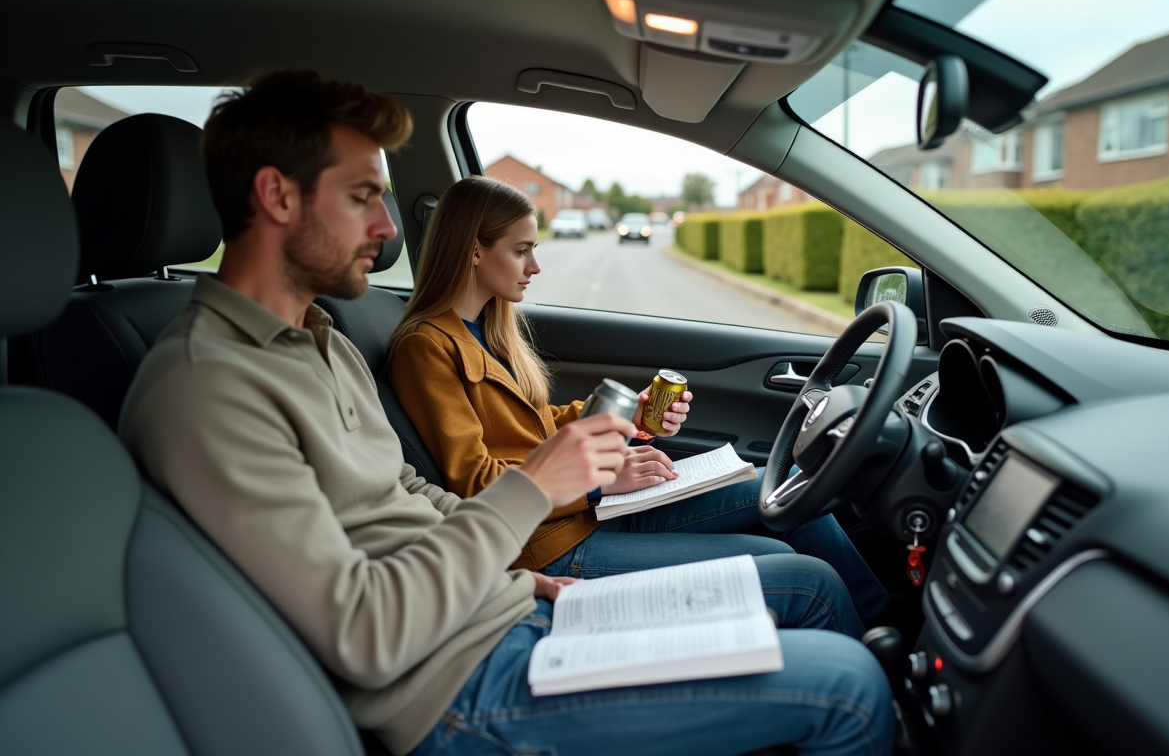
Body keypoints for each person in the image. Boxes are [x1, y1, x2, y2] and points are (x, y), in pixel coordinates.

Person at [120, 70, 892, 756]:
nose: (390, 229)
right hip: (458, 692)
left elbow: (407, 497)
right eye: (363, 198)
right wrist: (540, 490)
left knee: (809, 588)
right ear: (277, 195)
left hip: (506, 614)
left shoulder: (317, 340)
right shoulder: (206, 385)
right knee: (847, 683)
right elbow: (362, 631)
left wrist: (530, 590)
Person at [387, 176, 888, 626]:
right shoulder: (426, 346)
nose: (535, 266)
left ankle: (883, 624)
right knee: (786, 564)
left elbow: (537, 427)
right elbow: (474, 483)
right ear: (475, 251)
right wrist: (598, 483)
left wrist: (636, 420)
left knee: (786, 489)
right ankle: (881, 658)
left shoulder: (492, 330)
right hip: (547, 545)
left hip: (588, 511)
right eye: (521, 251)